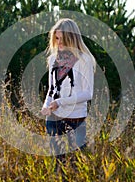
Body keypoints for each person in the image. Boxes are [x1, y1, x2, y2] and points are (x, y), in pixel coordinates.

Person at [41, 18, 96, 174]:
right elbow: (52, 89)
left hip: (75, 119)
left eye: (63, 38)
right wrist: (46, 106)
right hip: (53, 119)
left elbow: (88, 93)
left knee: (77, 166)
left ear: (72, 38)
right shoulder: (52, 59)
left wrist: (61, 102)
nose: (59, 42)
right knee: (57, 168)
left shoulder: (84, 59)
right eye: (56, 38)